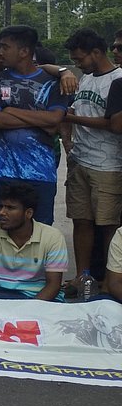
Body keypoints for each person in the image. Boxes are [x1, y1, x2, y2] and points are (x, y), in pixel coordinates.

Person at [0, 25, 68, 225]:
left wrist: (10, 111)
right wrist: (41, 119)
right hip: (2, 171)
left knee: (39, 231)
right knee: (2, 232)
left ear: (24, 51)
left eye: (5, 47)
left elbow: (55, 120)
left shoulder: (53, 83)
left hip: (41, 172)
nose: (0, 52)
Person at [60, 27, 122, 285]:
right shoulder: (85, 77)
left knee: (108, 225)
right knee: (81, 221)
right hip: (80, 161)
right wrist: (67, 141)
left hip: (108, 164)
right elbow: (71, 107)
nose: (77, 64)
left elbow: (115, 125)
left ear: (96, 53)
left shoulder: (117, 79)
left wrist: (71, 118)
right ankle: (82, 276)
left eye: (80, 59)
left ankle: (110, 279)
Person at [0, 183, 69, 324]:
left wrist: (25, 312)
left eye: (10, 208)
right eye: (1, 206)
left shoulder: (52, 236)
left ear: (28, 213)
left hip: (39, 300)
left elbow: (53, 286)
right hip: (0, 297)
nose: (2, 213)